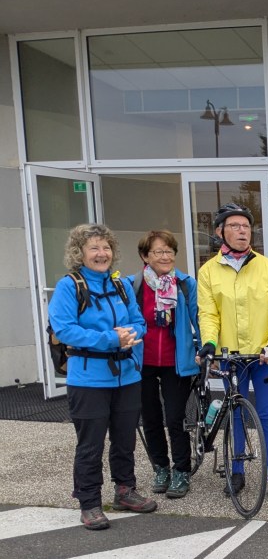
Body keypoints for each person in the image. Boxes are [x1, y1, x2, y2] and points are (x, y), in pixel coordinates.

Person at [48, 224, 156, 529]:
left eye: (106, 247)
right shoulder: (69, 286)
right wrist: (111, 338)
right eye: (94, 247)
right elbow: (64, 330)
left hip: (126, 376)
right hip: (88, 380)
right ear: (79, 252)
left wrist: (130, 333)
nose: (102, 253)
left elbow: (139, 322)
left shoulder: (120, 285)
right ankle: (90, 502)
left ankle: (125, 490)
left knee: (125, 440)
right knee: (90, 445)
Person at [196, 203, 268, 504]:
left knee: (267, 415)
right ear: (220, 232)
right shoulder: (208, 271)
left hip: (263, 357)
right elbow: (208, 314)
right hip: (230, 357)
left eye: (246, 226)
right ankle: (236, 472)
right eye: (235, 226)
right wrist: (209, 343)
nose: (242, 231)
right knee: (235, 412)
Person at [127, 231, 201, 499]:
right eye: (158, 252)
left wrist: (204, 347)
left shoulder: (185, 284)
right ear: (145, 256)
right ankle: (160, 467)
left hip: (175, 362)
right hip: (142, 362)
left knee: (176, 418)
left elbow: (198, 318)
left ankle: (181, 470)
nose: (165, 256)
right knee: (151, 418)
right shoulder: (132, 285)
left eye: (169, 251)